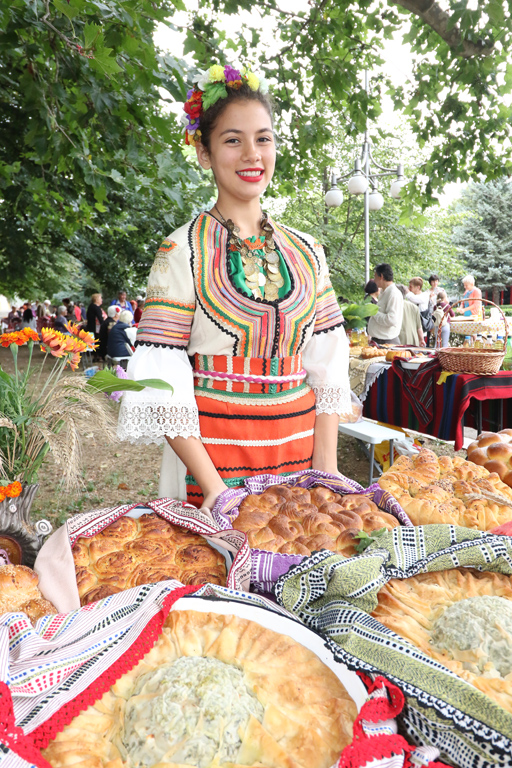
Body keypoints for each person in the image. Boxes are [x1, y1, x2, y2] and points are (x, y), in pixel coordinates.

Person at [117, 64, 351, 508]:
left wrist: (326, 470)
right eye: (232, 140)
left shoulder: (307, 251)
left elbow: (326, 364)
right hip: (212, 467)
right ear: (204, 153)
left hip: (301, 463)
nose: (252, 154)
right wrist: (215, 490)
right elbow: (164, 377)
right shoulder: (181, 250)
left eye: (263, 138)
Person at [367, 264, 404, 345]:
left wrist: (373, 312)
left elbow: (391, 320)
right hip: (379, 340)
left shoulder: (393, 293)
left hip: (387, 341)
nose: (374, 279)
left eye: (375, 276)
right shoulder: (385, 292)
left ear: (381, 276)